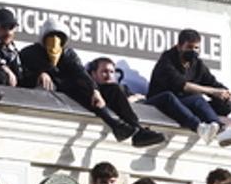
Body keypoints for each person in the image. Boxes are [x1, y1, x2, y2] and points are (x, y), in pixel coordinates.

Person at [20, 17, 165, 147]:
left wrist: (95, 90)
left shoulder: (68, 54)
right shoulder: (30, 53)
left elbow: (81, 73)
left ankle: (137, 129)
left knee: (113, 90)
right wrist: (40, 73)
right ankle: (114, 124)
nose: (55, 42)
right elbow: (23, 74)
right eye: (51, 37)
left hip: (79, 89)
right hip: (58, 91)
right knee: (76, 86)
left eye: (59, 38)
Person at [146, 28, 231, 146]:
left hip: (183, 105)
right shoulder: (166, 61)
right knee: (186, 97)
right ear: (179, 47)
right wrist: (213, 91)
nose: (193, 51)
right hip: (159, 104)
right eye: (189, 47)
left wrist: (224, 92)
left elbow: (211, 83)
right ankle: (207, 128)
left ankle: (217, 129)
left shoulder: (197, 64)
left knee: (226, 105)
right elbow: (183, 85)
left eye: (196, 48)